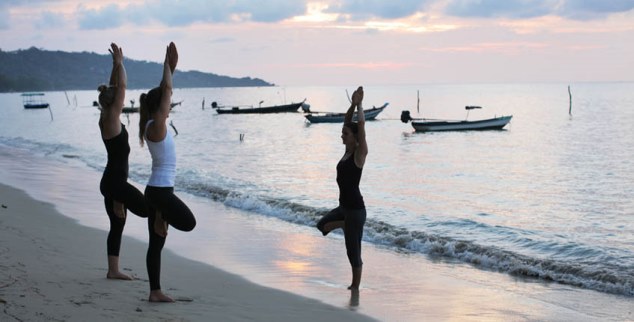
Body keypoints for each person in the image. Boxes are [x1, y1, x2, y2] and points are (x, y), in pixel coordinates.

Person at [138, 42, 196, 303]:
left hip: (157, 190)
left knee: (157, 243)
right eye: (166, 103)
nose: (169, 105)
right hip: (159, 192)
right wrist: (166, 66)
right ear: (158, 107)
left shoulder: (154, 124)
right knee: (187, 222)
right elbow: (167, 91)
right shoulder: (156, 126)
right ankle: (163, 215)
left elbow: (166, 92)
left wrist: (172, 67)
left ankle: (154, 292)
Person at [97, 43, 148, 280]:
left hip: (112, 182)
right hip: (115, 183)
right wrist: (120, 63)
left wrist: (114, 65)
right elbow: (122, 87)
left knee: (118, 224)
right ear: (113, 103)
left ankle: (113, 270)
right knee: (148, 210)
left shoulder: (105, 116)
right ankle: (114, 269)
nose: (121, 98)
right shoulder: (111, 119)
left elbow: (115, 88)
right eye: (117, 98)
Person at [316, 86, 368, 290]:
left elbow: (360, 125)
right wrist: (353, 104)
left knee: (353, 252)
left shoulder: (359, 153)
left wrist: (361, 105)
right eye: (342, 133)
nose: (342, 136)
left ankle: (355, 287)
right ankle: (343, 224)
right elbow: (349, 121)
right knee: (322, 225)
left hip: (355, 210)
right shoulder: (347, 151)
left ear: (355, 138)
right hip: (344, 208)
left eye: (345, 134)